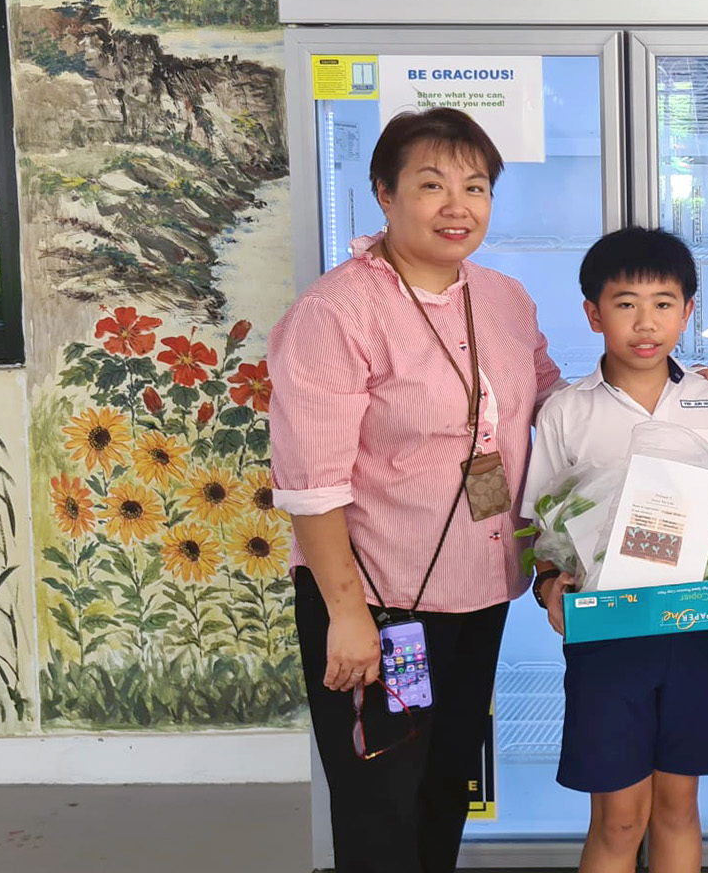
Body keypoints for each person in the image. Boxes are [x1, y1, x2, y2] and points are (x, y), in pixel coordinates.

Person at [272, 107, 563, 873]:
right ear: (384, 193)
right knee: (382, 797)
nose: (456, 205)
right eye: (431, 185)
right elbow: (312, 487)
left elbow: (552, 406)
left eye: (475, 186)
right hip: (384, 605)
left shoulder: (503, 298)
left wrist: (666, 393)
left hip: (479, 591)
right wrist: (347, 616)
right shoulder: (336, 314)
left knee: (444, 784)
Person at [523, 227, 708, 873]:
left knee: (679, 806)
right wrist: (549, 586)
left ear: (688, 311)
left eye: (663, 302)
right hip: (607, 633)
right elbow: (536, 522)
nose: (645, 322)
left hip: (694, 625)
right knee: (620, 815)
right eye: (625, 303)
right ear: (594, 313)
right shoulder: (566, 412)